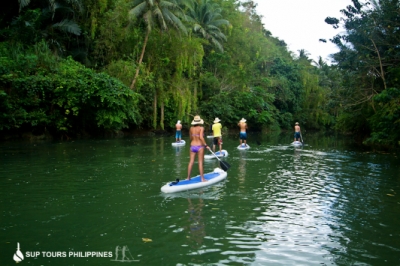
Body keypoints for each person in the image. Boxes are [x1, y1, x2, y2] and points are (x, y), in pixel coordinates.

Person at [187, 115, 210, 182]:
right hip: (200, 146)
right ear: (199, 122)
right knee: (200, 163)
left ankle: (188, 177)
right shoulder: (201, 128)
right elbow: (201, 137)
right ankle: (202, 179)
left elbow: (191, 138)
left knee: (191, 162)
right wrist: (206, 145)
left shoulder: (191, 128)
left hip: (192, 146)